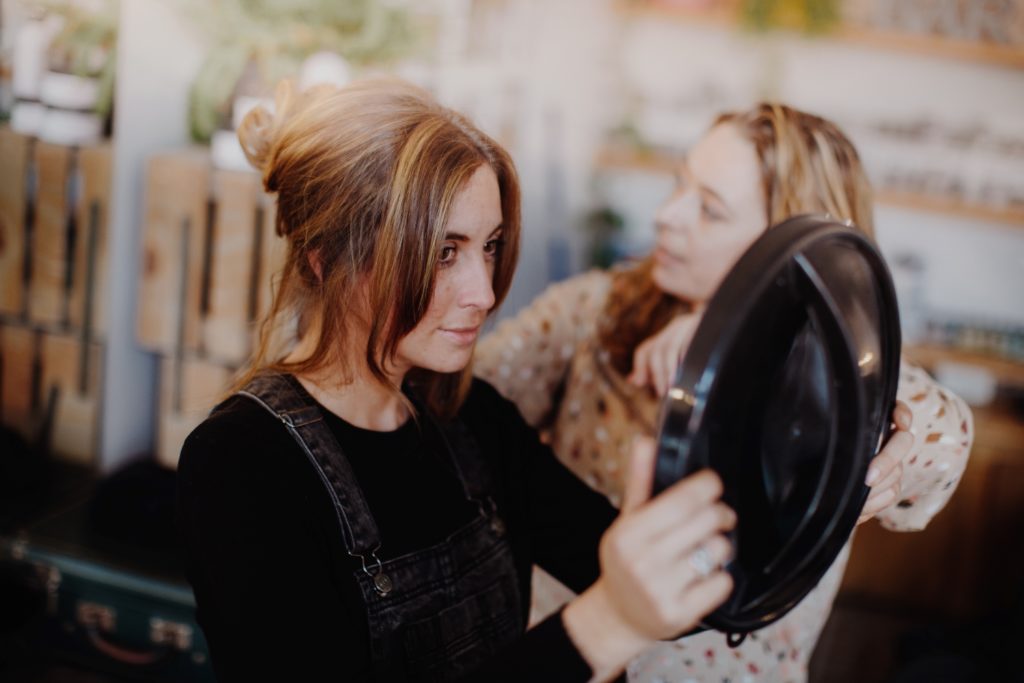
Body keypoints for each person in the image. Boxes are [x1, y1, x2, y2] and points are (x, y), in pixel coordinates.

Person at [174, 77, 739, 683]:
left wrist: (823, 470)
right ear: (328, 259)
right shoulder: (242, 463)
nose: (485, 293)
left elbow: (690, 590)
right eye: (446, 251)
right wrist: (604, 626)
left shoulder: (471, 419)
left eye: (489, 246)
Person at [474, 102, 974, 683]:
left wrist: (745, 339)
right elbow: (458, 410)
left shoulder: (837, 373)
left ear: (794, 252)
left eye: (710, 210)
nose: (667, 215)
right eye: (678, 185)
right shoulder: (592, 310)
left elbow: (949, 439)